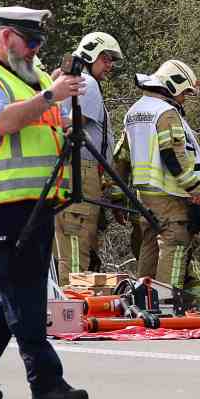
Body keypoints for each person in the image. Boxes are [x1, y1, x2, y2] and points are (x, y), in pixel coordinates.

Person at [0, 6, 89, 399]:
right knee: (24, 294)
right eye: (30, 42)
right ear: (7, 36)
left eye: (39, 43)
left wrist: (56, 97)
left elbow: (46, 122)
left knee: (20, 290)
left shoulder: (32, 78)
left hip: (36, 204)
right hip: (0, 205)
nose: (35, 50)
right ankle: (45, 382)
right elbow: (3, 123)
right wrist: (49, 96)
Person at [116, 59, 200, 304]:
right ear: (173, 85)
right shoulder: (165, 113)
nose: (185, 99)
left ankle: (142, 302)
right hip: (169, 194)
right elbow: (173, 156)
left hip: (144, 195)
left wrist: (116, 193)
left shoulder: (134, 111)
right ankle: (167, 303)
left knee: (149, 246)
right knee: (174, 245)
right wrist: (195, 189)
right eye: (185, 93)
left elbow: (121, 157)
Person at [54, 31, 123, 284]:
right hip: (80, 171)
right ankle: (71, 305)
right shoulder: (87, 83)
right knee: (76, 242)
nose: (110, 66)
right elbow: (72, 123)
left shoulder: (73, 80)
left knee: (80, 241)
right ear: (91, 55)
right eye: (106, 59)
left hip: (83, 171)